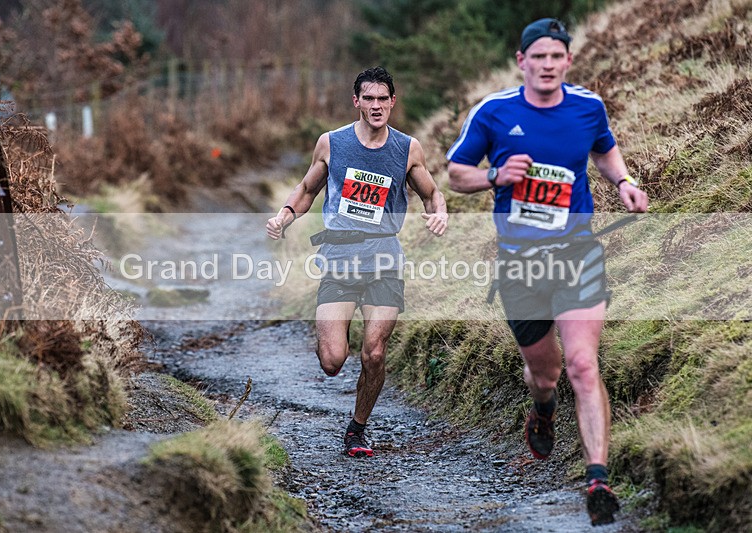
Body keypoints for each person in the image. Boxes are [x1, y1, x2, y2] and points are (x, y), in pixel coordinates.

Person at [446, 18, 648, 526]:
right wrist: (494, 174)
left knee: (583, 365)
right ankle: (541, 407)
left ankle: (597, 478)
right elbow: (455, 173)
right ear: (522, 61)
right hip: (520, 266)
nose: (547, 66)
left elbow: (603, 149)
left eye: (556, 57)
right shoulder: (494, 113)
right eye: (538, 57)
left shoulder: (588, 107)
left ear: (568, 62)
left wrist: (623, 181)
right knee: (547, 372)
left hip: (577, 254)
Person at [266, 66, 448, 458]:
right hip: (339, 260)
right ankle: (331, 350)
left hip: (384, 259)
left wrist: (439, 212)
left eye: (384, 98)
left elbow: (433, 193)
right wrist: (284, 216)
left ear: (393, 102)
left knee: (375, 351)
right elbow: (307, 188)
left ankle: (357, 429)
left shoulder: (407, 148)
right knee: (332, 361)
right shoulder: (331, 143)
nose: (377, 105)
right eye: (369, 98)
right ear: (357, 102)